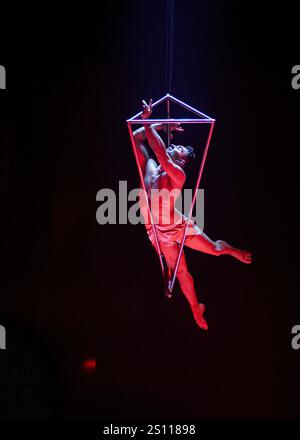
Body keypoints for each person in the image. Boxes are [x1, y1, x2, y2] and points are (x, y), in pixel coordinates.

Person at [133, 99, 252, 330]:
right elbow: (137, 137)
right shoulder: (148, 166)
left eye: (179, 149)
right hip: (157, 232)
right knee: (183, 272)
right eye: (176, 145)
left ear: (182, 161)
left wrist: (149, 122)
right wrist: (159, 126)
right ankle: (196, 307)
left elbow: (160, 152)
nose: (173, 146)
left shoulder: (178, 176)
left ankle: (229, 249)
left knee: (215, 251)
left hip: (176, 226)